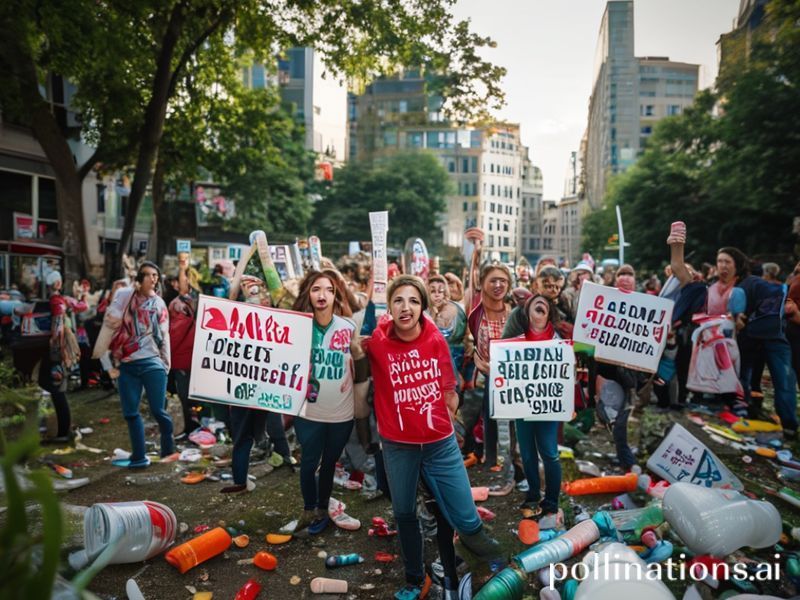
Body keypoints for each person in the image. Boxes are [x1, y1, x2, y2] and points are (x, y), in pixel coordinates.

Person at [364, 275, 501, 600]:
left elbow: (449, 389)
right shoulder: (377, 342)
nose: (405, 307)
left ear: (423, 305)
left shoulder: (435, 339)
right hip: (398, 448)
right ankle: (415, 579)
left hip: (440, 445)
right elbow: (358, 345)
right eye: (398, 300)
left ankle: (495, 558)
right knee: (405, 514)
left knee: (465, 516)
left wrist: (445, 419)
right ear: (391, 307)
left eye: (413, 300)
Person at [290, 269, 363, 534]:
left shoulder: (348, 326)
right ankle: (309, 509)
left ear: (336, 296)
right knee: (309, 463)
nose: (323, 295)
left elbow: (359, 358)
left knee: (330, 462)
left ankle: (323, 508)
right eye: (316, 289)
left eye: (329, 290)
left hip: (341, 413)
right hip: (307, 410)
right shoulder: (297, 325)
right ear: (307, 294)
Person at [103, 262, 174, 468]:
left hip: (153, 364)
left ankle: (168, 449)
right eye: (148, 275)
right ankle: (139, 457)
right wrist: (109, 365)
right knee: (130, 413)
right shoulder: (125, 302)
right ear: (139, 280)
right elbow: (108, 332)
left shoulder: (159, 303)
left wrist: (165, 364)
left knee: (158, 411)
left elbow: (164, 334)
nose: (153, 279)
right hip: (127, 365)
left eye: (156, 275)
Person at [501, 294, 563, 517]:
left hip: (548, 408)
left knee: (549, 453)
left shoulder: (559, 342)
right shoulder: (515, 340)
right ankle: (533, 495)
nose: (539, 303)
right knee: (526, 453)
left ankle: (552, 501)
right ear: (526, 313)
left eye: (544, 304)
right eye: (534, 303)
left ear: (548, 314)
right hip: (522, 405)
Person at [42, 271, 87, 442]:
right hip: (62, 348)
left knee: (57, 389)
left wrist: (55, 351)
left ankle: (63, 434)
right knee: (57, 389)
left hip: (57, 349)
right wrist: (82, 296)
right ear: (59, 284)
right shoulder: (65, 299)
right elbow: (83, 306)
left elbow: (57, 327)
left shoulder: (55, 301)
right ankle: (63, 432)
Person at [168, 255, 202, 437]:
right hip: (189, 356)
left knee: (187, 395)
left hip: (185, 356)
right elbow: (176, 333)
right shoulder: (186, 303)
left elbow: (175, 334)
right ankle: (193, 426)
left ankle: (193, 427)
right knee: (190, 395)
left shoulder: (184, 304)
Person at [427, 275, 467, 387]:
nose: (437, 294)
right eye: (432, 291)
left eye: (441, 291)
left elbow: (441, 334)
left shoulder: (451, 309)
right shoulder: (428, 310)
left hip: (451, 357)